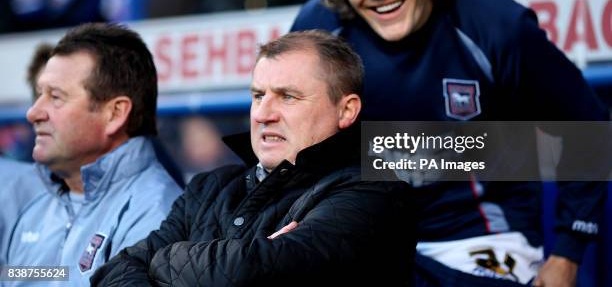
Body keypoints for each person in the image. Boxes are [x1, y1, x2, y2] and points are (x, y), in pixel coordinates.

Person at [291, 0, 609, 286]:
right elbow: (289, 145)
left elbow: (588, 131)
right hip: (366, 240)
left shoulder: (496, 26)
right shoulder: (318, 31)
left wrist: (566, 253)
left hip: (483, 241)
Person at [91, 30, 414, 286]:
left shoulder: (375, 191)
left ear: (346, 110)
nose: (263, 114)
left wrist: (163, 260)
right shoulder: (209, 187)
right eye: (258, 96)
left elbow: (254, 272)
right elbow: (113, 271)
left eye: (288, 96)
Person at [2, 23, 182, 286]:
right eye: (39, 95)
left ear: (115, 114)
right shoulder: (37, 209)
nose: (33, 113)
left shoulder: (158, 216)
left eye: (56, 97)